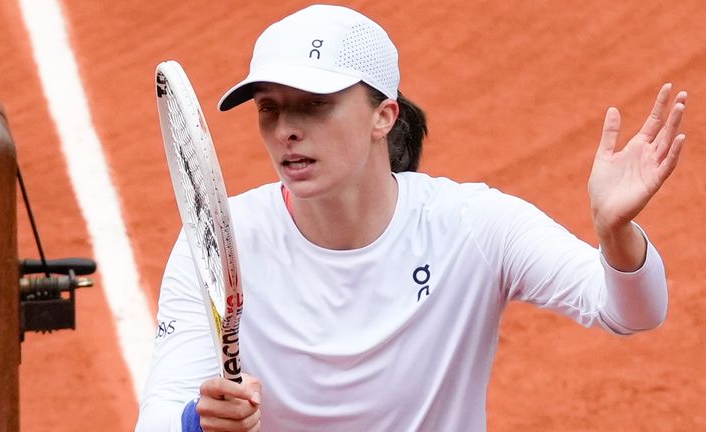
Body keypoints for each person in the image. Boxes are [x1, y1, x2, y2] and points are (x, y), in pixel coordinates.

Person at [135, 4, 687, 432]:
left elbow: (630, 311)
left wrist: (616, 234)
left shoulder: (472, 226)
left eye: (314, 104)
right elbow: (159, 419)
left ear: (384, 116)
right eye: (270, 109)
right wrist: (198, 424)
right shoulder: (219, 241)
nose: (286, 130)